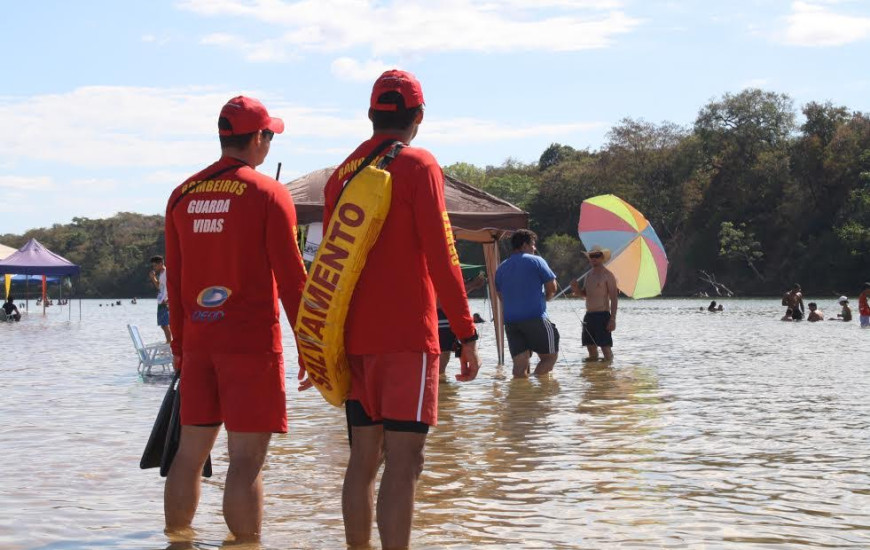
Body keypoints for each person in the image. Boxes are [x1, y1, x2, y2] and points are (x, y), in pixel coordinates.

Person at [322, 70, 481, 549]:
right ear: (419, 116)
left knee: (362, 460)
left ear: (372, 115)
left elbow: (328, 267)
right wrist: (467, 333)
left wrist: (318, 342)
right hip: (407, 340)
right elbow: (442, 254)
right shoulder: (418, 165)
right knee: (406, 461)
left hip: (352, 340)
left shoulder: (340, 176)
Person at [162, 96, 308, 541]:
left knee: (189, 453)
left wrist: (182, 350)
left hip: (200, 344)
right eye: (270, 135)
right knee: (245, 461)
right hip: (250, 346)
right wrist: (311, 344)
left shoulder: (182, 195)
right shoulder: (269, 193)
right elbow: (291, 280)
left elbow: (176, 282)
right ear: (259, 139)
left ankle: (177, 540)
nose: (270, 144)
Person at [495, 229, 560, 378]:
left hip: (511, 322)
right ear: (524, 245)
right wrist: (547, 298)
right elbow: (552, 287)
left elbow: (501, 296)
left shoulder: (501, 268)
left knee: (520, 364)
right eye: (533, 245)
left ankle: (521, 397)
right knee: (549, 357)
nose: (534, 248)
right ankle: (536, 392)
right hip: (535, 318)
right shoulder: (536, 261)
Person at [573, 245, 618, 361]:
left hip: (602, 315)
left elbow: (614, 298)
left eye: (597, 256)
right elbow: (584, 294)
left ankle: (608, 372)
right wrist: (576, 289)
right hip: (589, 316)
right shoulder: (588, 275)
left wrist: (612, 319)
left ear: (602, 258)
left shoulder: (608, 275)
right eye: (591, 256)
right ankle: (594, 375)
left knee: (605, 349)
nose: (594, 258)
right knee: (590, 348)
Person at [438, 272, 486, 375]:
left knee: (443, 355)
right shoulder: (442, 271)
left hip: (439, 315)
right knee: (443, 353)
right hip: (442, 316)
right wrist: (474, 284)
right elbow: (455, 293)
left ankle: (441, 384)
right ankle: (440, 384)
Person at [149, 255, 172, 343]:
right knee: (163, 325)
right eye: (153, 266)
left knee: (165, 324)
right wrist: (153, 278)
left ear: (161, 263)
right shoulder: (162, 274)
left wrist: (169, 299)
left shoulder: (167, 272)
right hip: (161, 300)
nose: (154, 267)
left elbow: (172, 286)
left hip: (165, 301)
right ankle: (169, 342)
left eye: (155, 265)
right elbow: (160, 287)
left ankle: (169, 343)